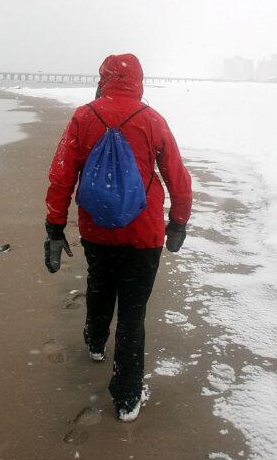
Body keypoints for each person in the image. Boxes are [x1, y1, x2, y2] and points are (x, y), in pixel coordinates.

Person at [43, 53, 192, 422]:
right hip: (144, 234)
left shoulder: (83, 116)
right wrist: (179, 222)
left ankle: (95, 342)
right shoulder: (152, 119)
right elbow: (177, 176)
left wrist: (54, 227)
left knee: (99, 283)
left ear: (104, 78)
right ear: (138, 80)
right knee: (133, 312)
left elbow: (62, 174)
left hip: (96, 229)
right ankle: (127, 398)